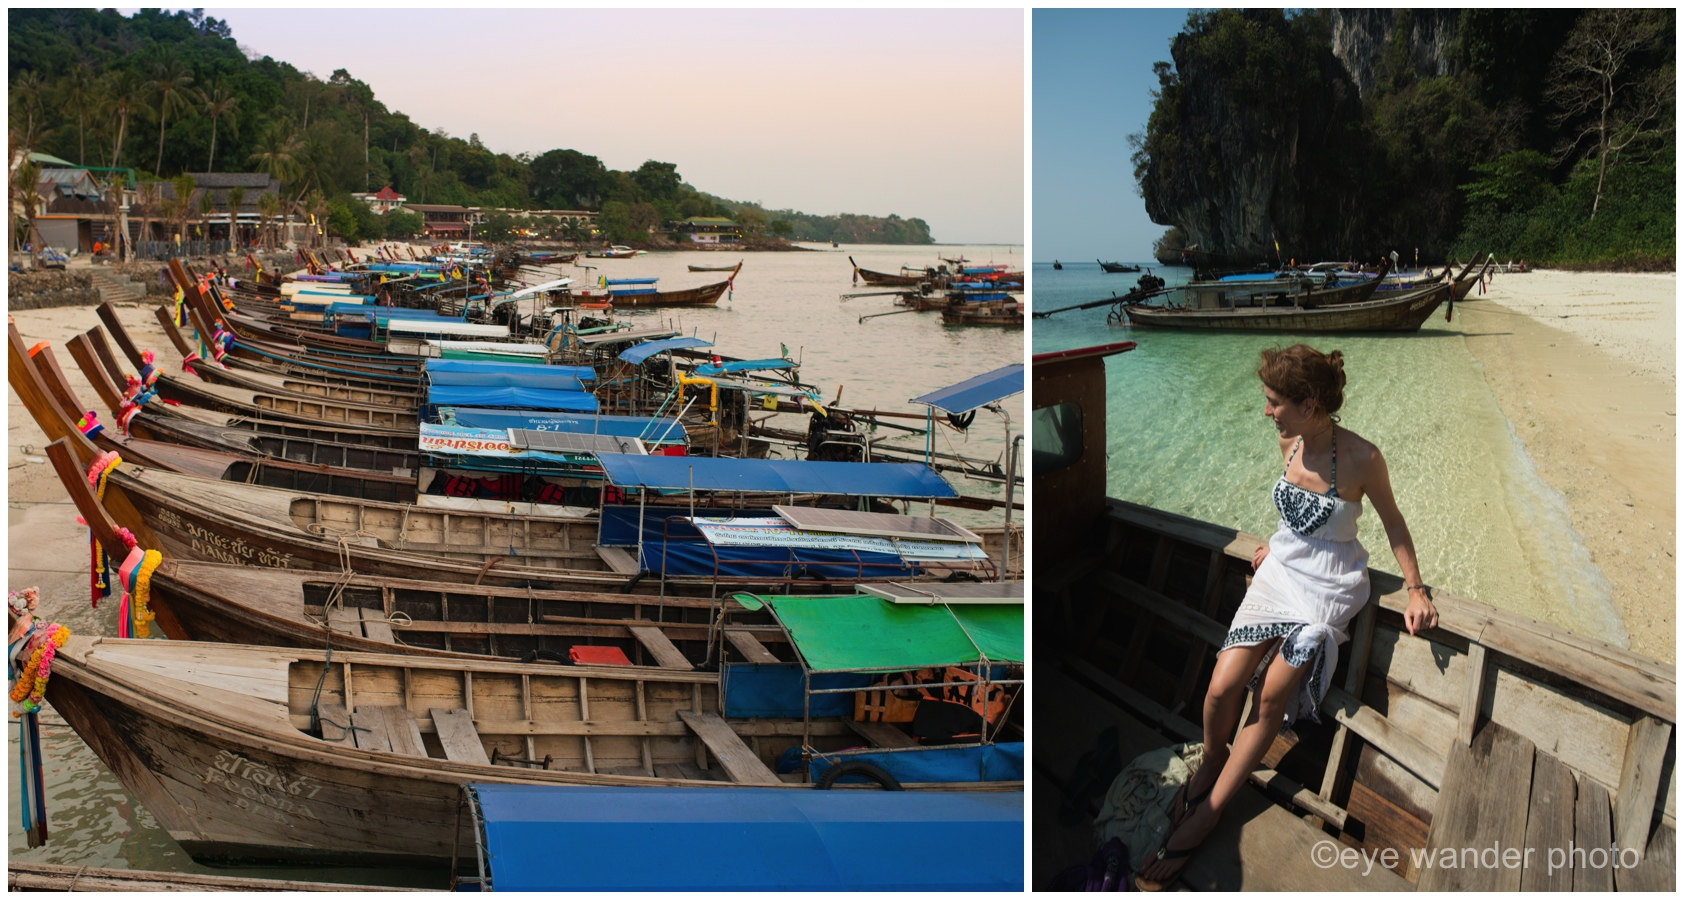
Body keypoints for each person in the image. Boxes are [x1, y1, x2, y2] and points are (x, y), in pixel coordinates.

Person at [1135, 344, 1437, 891]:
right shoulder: (1288, 439)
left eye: (1275, 402)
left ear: (1312, 403)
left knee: (1271, 694)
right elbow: (1293, 508)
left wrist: (1414, 588)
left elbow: (1393, 522)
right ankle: (1212, 760)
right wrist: (1279, 546)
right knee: (1220, 685)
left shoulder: (1364, 458)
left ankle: (1212, 809)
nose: (1267, 411)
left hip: (1328, 587)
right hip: (1281, 574)